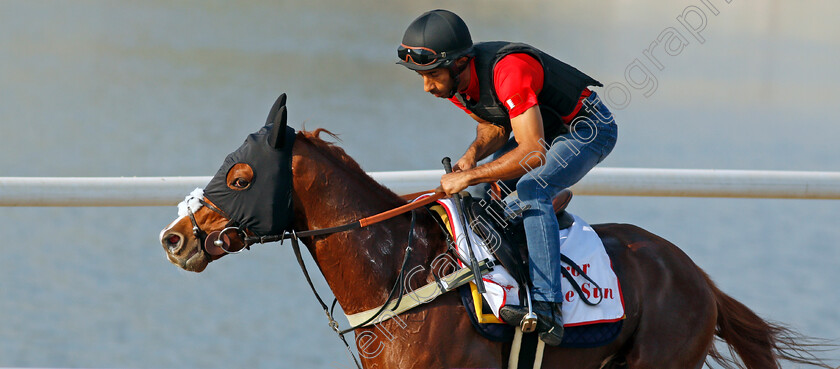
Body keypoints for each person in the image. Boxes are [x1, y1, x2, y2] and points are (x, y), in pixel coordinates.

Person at [396, 9, 618, 345]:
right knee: (486, 193)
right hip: (545, 132)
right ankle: (508, 279)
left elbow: (533, 151)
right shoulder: (454, 84)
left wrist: (468, 178)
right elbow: (495, 123)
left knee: (531, 189)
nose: (427, 86)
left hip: (586, 129)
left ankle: (547, 306)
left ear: (459, 64)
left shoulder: (509, 71)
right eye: (421, 76)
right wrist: (471, 158)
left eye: (432, 75)